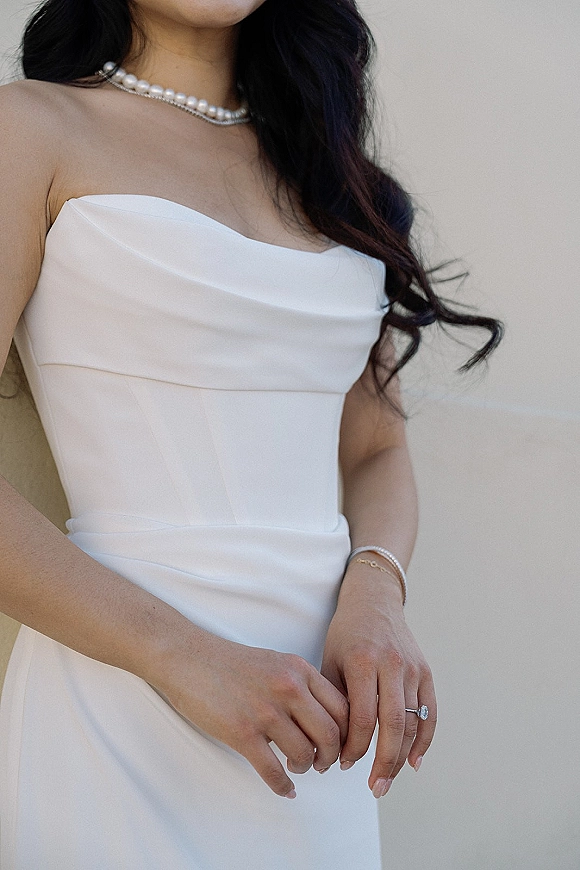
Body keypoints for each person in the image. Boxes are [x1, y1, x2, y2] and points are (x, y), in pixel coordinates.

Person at [0, 1, 502, 867]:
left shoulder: (331, 174)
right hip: (124, 686)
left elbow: (378, 449)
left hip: (325, 713)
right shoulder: (32, 126)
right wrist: (181, 657)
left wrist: (377, 597)